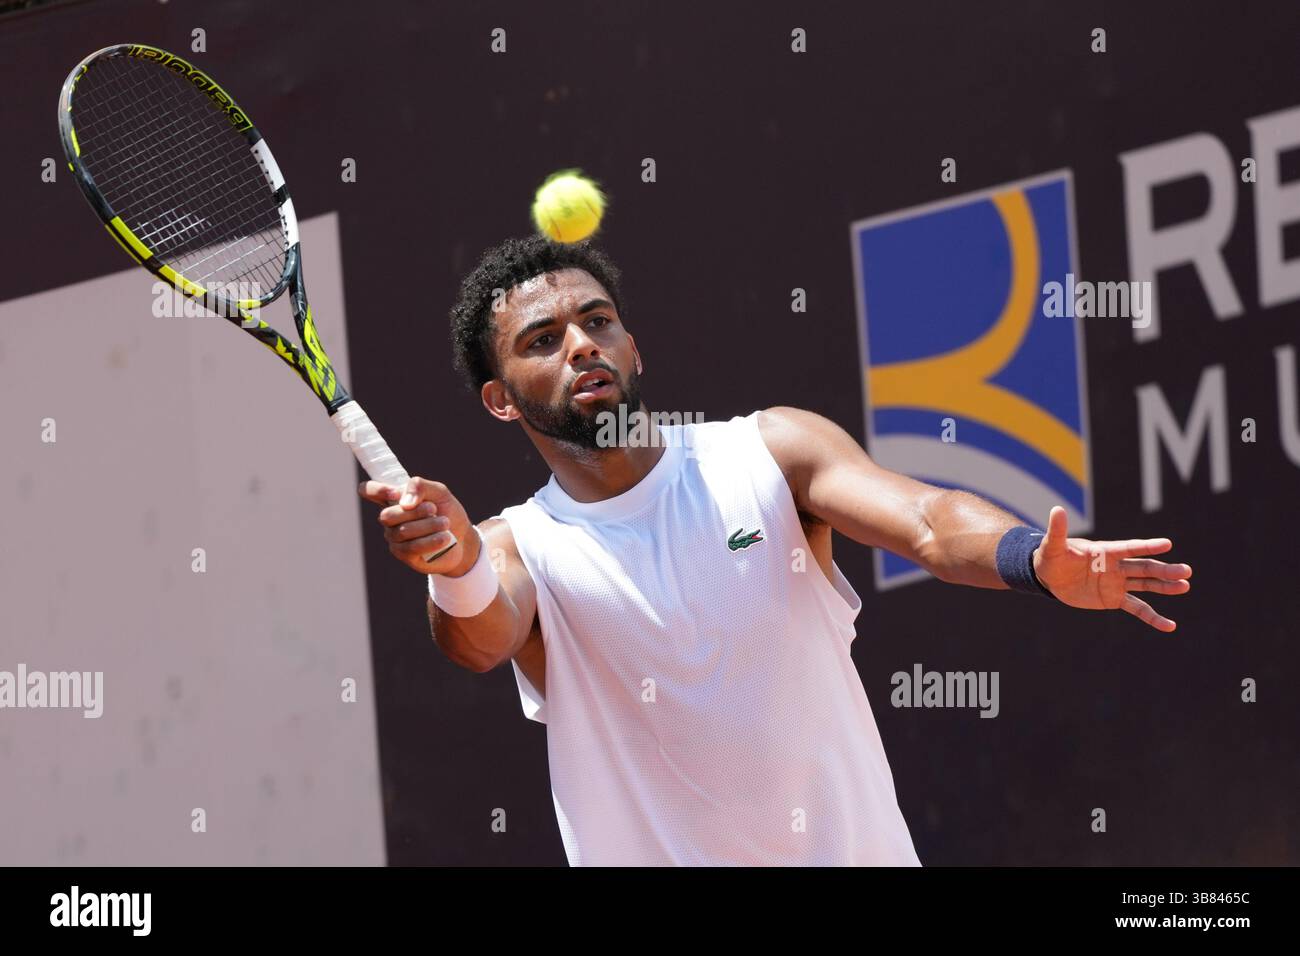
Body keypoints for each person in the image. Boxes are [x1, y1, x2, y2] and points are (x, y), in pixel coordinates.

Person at [357, 236, 1192, 866]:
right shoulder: (518, 547)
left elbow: (931, 523)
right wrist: (456, 566)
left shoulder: (770, 451)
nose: (581, 345)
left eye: (597, 321)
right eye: (543, 340)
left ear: (633, 346)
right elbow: (480, 638)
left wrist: (1029, 561)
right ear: (500, 401)